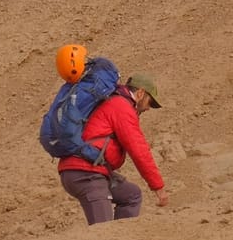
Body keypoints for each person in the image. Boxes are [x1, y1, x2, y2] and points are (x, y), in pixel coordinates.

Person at [57, 74, 169, 224]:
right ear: (141, 93)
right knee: (103, 231)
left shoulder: (114, 102)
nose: (148, 108)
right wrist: (158, 187)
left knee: (131, 195)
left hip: (92, 170)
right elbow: (139, 149)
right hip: (85, 173)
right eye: (150, 102)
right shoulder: (121, 107)